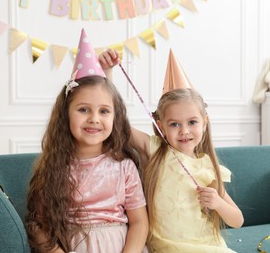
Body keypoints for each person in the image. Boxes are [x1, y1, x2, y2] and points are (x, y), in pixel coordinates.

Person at [99, 49, 244, 252]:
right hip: (165, 247)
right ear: (161, 125)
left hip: (205, 246)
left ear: (205, 123)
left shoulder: (208, 168)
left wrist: (218, 203)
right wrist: (108, 73)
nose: (184, 131)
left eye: (192, 122)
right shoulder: (155, 150)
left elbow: (237, 220)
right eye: (174, 124)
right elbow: (117, 122)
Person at [26, 29, 149, 253]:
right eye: (83, 109)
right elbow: (39, 225)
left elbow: (139, 222)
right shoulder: (53, 168)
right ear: (66, 114)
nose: (94, 119)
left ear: (115, 118)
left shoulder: (125, 167)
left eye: (104, 111)